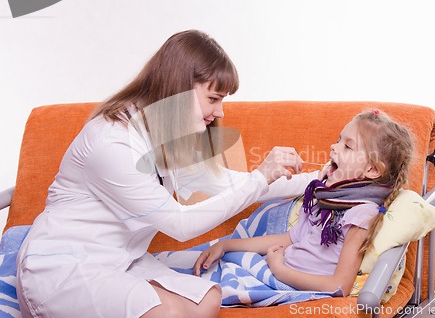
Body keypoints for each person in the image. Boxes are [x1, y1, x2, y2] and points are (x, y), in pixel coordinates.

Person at [15, 30, 311, 318]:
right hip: (62, 268)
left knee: (207, 298)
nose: (220, 112)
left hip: (121, 262)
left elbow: (228, 185)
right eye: (213, 98)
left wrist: (319, 179)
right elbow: (179, 224)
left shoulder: (169, 137)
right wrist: (260, 176)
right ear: (179, 90)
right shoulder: (112, 141)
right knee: (167, 312)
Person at [194, 110, 414, 297]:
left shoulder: (361, 214)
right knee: (212, 266)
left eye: (347, 146)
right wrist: (225, 245)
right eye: (338, 140)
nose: (333, 147)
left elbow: (339, 286)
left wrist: (279, 270)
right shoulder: (326, 198)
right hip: (277, 266)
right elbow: (290, 238)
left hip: (286, 281)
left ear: (373, 170)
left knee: (207, 289)